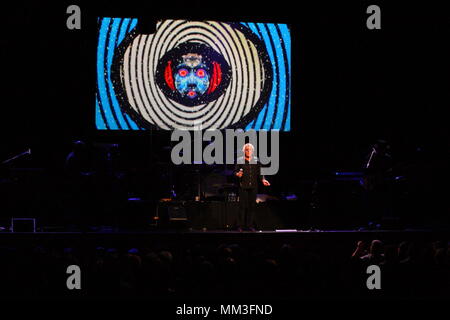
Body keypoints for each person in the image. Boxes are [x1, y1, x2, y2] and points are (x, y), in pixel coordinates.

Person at [234, 143, 270, 231]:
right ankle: (240, 226)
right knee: (242, 207)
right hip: (243, 186)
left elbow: (260, 173)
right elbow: (235, 172)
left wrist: (263, 180)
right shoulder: (240, 160)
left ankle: (249, 225)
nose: (248, 151)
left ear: (252, 151)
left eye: (250, 149)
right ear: (244, 151)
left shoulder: (256, 161)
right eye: (246, 149)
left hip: (253, 186)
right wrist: (238, 174)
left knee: (252, 206)